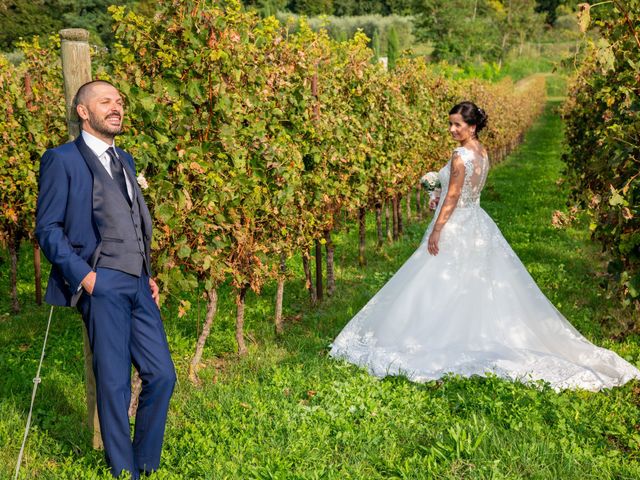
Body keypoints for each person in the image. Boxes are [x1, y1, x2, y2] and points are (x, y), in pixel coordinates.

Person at [330, 101, 640, 392]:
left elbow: (453, 196)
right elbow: (464, 191)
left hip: (456, 224)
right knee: (474, 280)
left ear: (472, 126)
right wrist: (435, 192)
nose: (452, 130)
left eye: (457, 125)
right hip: (476, 221)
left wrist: (437, 228)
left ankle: (433, 336)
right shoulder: (482, 152)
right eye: (450, 125)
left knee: (437, 278)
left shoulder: (459, 155)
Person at [35, 80, 176, 478]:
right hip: (101, 282)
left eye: (119, 102)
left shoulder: (125, 159)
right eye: (105, 102)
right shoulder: (61, 160)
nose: (116, 108)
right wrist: (86, 277)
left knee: (162, 374)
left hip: (137, 282)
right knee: (113, 383)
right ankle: (124, 470)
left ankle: (145, 464)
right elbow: (48, 229)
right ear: (83, 111)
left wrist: (147, 273)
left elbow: (133, 221)